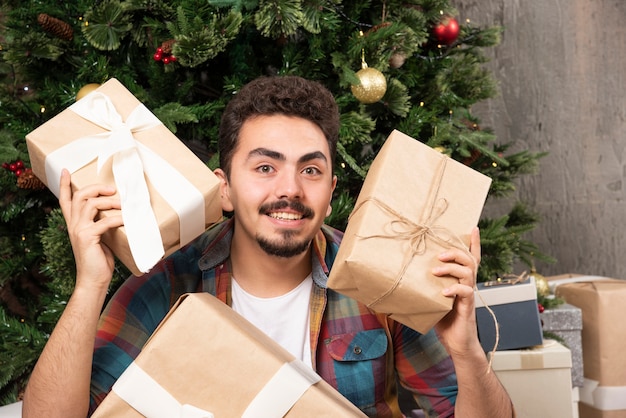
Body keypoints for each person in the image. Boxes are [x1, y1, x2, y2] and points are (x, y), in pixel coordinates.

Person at [23, 75, 513, 417]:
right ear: (226, 190)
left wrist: (466, 351)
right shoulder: (170, 281)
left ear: (331, 191)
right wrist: (91, 282)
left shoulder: (380, 282)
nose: (291, 190)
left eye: (311, 169)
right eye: (264, 167)